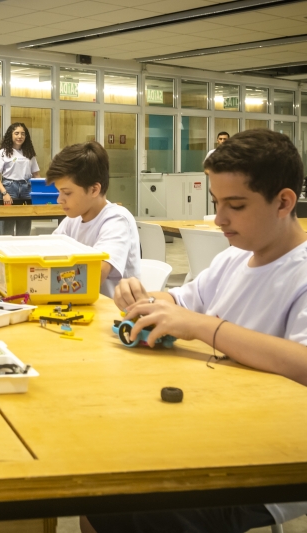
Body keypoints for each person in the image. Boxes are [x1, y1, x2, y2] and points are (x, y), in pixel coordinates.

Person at [84, 129, 307, 533]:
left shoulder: (301, 272)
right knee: (101, 481)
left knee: (151, 505)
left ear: (284, 202)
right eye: (216, 203)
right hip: (209, 428)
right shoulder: (234, 259)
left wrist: (205, 327)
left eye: (235, 206)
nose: (219, 219)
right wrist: (149, 301)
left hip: (269, 460)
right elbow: (183, 301)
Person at [46, 141, 141, 298]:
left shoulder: (117, 220)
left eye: (67, 193)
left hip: (114, 314)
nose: (59, 199)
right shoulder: (74, 219)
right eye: (59, 192)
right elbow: (45, 251)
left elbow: (93, 277)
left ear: (94, 189)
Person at [0, 123, 40, 236]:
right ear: (11, 135)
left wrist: (41, 192)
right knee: (7, 225)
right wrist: (4, 193)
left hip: (27, 189)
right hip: (9, 188)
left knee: (25, 224)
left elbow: (36, 174)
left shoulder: (29, 153)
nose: (20, 136)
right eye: (16, 133)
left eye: (23, 134)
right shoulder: (3, 152)